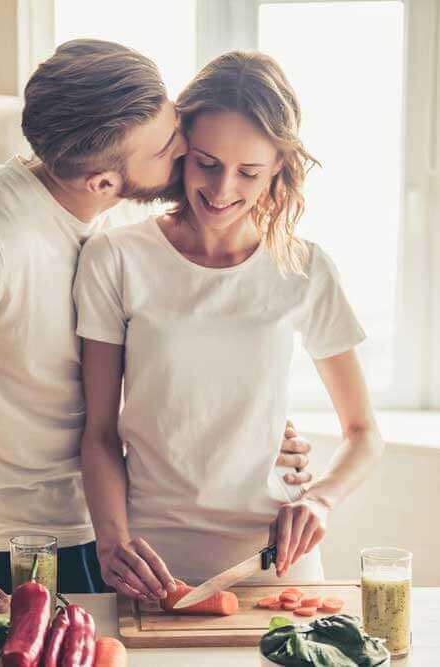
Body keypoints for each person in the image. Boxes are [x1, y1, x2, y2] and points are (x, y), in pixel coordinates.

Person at [0, 41, 312, 617]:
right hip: (46, 545)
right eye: (166, 145)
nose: (185, 150)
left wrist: (252, 430)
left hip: (143, 524)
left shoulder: (117, 203)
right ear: (105, 180)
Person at [74, 51, 385, 601]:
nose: (222, 190)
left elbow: (362, 432)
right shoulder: (115, 256)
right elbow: (99, 431)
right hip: (151, 563)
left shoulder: (304, 268)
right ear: (180, 153)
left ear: (279, 168)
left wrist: (320, 500)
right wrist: (112, 541)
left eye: (249, 172)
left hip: (276, 560)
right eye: (207, 163)